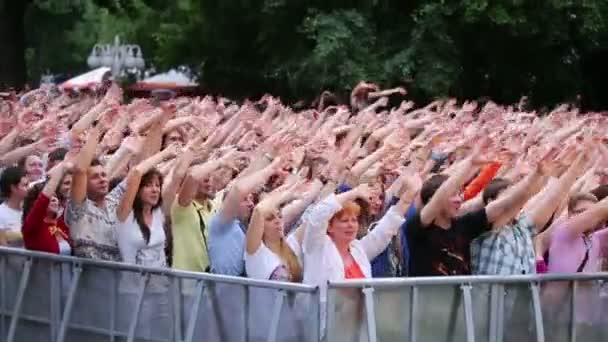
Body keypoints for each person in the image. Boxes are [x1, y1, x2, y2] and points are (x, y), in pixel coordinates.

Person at [65, 126, 128, 261]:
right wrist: (98, 131)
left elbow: (138, 173)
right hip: (91, 277)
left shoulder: (114, 200)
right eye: (95, 177)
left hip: (119, 277)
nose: (102, 180)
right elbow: (80, 170)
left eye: (104, 175)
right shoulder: (79, 208)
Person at [245, 179, 306, 282]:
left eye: (280, 216)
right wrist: (286, 195)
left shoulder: (291, 244)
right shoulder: (255, 252)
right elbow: (259, 210)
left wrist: (329, 179)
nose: (278, 221)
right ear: (260, 227)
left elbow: (318, 215)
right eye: (270, 219)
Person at [21, 161, 72, 254]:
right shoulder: (32, 226)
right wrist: (62, 167)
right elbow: (43, 200)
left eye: (55, 196)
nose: (54, 199)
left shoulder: (61, 224)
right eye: (50, 197)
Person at [0, 167, 28, 246]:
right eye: (25, 185)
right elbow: (4, 246)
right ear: (13, 188)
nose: (28, 188)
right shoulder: (1, 213)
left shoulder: (30, 209)